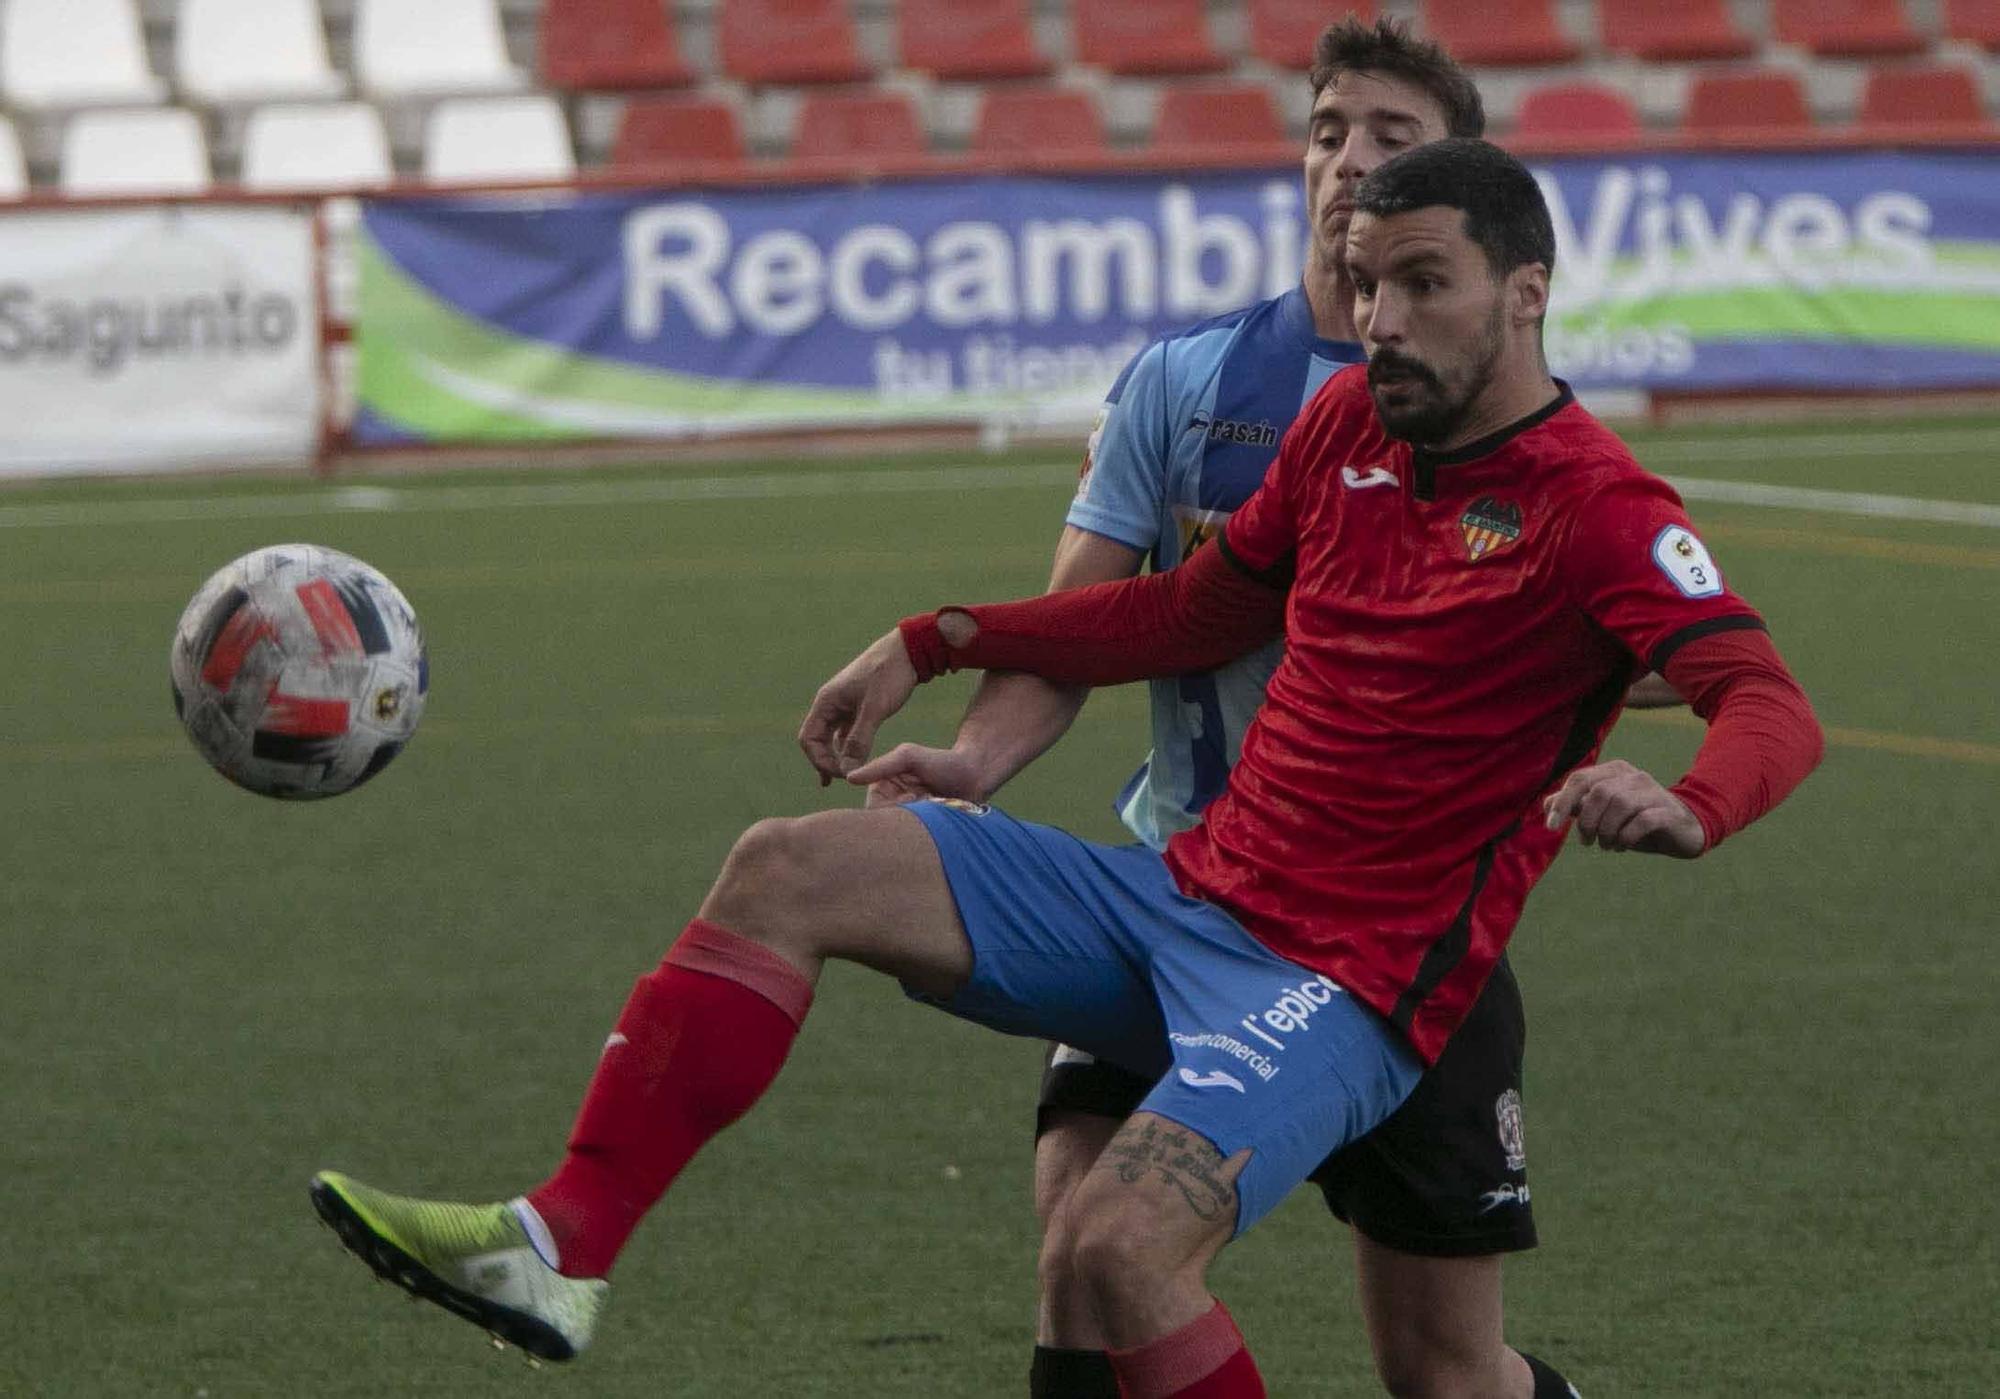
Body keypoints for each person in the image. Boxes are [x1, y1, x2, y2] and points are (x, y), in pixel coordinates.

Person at [309, 139, 1823, 1399]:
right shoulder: (1343, 428)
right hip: (1184, 895)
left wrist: (1690, 800)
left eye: (1426, 285)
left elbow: (1763, 699)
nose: (1384, 321)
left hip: (1349, 983)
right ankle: (562, 1245)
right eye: (1369, 285)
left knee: (1120, 1252)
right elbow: (1187, 611)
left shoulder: (1601, 506)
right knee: (792, 864)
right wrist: (941, 635)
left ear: (1529, 293)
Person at [847, 20, 1627, 1399]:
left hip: (1378, 945)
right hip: (1174, 891)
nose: (1350, 164)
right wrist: (976, 747)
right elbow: (1106, 617)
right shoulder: (1188, 380)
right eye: (1331, 131)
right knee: (1081, 1251)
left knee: (1445, 1372)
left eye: (1395, 141)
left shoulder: (1490, 432)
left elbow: (1623, 626)